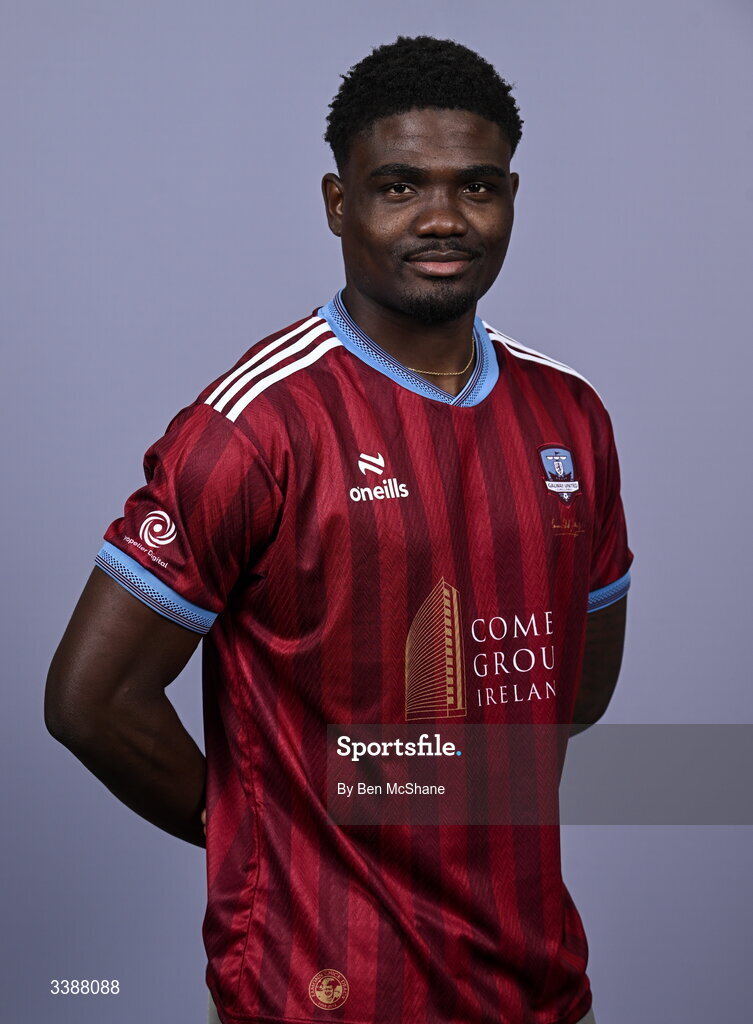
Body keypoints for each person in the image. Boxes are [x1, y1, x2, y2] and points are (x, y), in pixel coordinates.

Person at [45, 35, 631, 1024]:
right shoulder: (255, 428)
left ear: (512, 198)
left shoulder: (570, 416)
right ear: (337, 203)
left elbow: (574, 689)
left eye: (476, 187)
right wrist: (276, 833)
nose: (442, 218)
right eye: (399, 186)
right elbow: (89, 701)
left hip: (535, 984)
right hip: (318, 991)